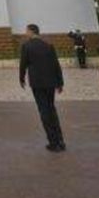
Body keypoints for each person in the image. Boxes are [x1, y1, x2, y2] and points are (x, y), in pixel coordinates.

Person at [19, 24, 66, 152]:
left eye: (26, 31)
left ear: (30, 31)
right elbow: (56, 65)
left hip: (37, 83)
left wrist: (21, 79)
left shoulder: (26, 46)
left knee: (44, 111)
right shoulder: (48, 46)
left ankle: (53, 142)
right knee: (52, 109)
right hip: (50, 82)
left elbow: (23, 64)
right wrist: (60, 83)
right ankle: (60, 140)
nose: (25, 33)